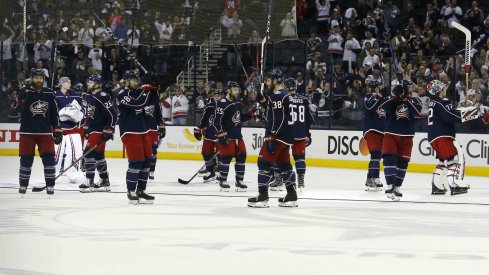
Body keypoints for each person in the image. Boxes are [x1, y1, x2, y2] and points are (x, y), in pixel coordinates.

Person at [248, 68, 298, 207]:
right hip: (286, 137)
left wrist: (272, 135)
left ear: (277, 81)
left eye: (270, 80)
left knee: (263, 164)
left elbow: (278, 117)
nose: (268, 82)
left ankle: (263, 196)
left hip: (276, 137)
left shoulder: (277, 96)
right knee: (285, 165)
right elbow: (274, 112)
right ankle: (292, 195)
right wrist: (264, 101)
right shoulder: (283, 95)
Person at [426, 80, 479, 195]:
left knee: (442, 161)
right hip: (443, 136)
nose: (445, 90)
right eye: (443, 89)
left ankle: (437, 186)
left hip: (433, 136)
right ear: (439, 91)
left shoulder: (433, 102)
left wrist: (461, 111)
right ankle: (454, 185)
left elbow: (450, 113)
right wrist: (471, 113)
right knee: (454, 159)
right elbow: (451, 116)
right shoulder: (442, 102)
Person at [17, 68, 63, 196]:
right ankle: (23, 185)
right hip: (27, 132)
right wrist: (21, 96)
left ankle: (50, 185)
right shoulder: (24, 92)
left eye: (41, 78)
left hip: (45, 132)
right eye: (36, 78)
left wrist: (57, 130)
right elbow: (16, 108)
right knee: (26, 159)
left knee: (49, 159)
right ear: (31, 78)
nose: (39, 80)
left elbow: (54, 114)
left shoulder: (49, 93)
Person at [378, 80, 422, 201]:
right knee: (389, 158)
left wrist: (406, 99)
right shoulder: (392, 99)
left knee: (403, 162)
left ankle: (397, 187)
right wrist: (396, 96)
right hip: (391, 134)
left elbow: (416, 111)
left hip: (407, 136)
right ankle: (390, 185)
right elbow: (383, 105)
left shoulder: (415, 100)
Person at [116, 71, 155, 204]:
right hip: (129, 131)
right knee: (136, 161)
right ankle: (131, 191)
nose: (136, 82)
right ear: (126, 81)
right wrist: (146, 90)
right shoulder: (121, 94)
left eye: (137, 80)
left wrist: (153, 87)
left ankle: (141, 190)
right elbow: (138, 104)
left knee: (147, 160)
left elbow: (149, 101)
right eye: (133, 80)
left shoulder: (138, 92)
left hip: (142, 130)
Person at [79, 74, 117, 193]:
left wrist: (109, 129)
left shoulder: (102, 96)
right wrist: (86, 127)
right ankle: (104, 181)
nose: (88, 84)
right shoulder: (90, 97)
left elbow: (113, 114)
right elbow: (89, 115)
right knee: (99, 156)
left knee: (88, 153)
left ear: (97, 84)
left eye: (90, 82)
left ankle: (89, 181)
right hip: (93, 130)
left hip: (100, 130)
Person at [213, 81, 254, 191]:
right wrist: (221, 135)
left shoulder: (237, 103)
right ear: (228, 90)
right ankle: (223, 181)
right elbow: (216, 121)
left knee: (242, 156)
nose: (237, 92)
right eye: (234, 89)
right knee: (226, 158)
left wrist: (251, 113)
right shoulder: (222, 103)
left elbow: (239, 119)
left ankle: (239, 181)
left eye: (237, 90)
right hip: (227, 137)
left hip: (237, 136)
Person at [283, 78, 314, 190]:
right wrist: (308, 135)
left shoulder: (284, 99)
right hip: (301, 132)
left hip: (287, 132)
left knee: (281, 157)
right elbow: (309, 119)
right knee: (300, 158)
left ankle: (279, 179)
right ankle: (300, 180)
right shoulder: (304, 100)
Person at [54, 77, 84, 184]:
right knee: (57, 152)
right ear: (62, 83)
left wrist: (77, 116)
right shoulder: (55, 95)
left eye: (70, 82)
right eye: (68, 82)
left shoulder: (75, 94)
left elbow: (82, 110)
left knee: (74, 153)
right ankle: (54, 173)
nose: (70, 84)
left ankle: (73, 174)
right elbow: (52, 111)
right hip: (59, 129)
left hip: (73, 129)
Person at [194, 81, 220, 182]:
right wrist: (198, 128)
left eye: (208, 86)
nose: (206, 88)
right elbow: (204, 118)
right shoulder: (209, 103)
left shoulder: (224, 105)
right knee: (206, 152)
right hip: (209, 130)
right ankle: (210, 171)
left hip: (219, 132)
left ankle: (220, 173)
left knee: (220, 153)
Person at [362, 80, 386, 191]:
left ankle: (369, 179)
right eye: (378, 87)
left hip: (381, 130)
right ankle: (375, 177)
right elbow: (370, 107)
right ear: (374, 88)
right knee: (376, 154)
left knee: (377, 155)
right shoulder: (368, 97)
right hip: (371, 129)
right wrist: (379, 97)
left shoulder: (382, 98)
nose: (379, 88)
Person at [142, 74, 166, 181]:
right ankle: (145, 169)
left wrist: (161, 125)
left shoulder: (155, 93)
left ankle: (151, 170)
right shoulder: (140, 92)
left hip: (151, 126)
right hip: (142, 126)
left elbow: (158, 110)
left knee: (153, 149)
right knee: (144, 149)